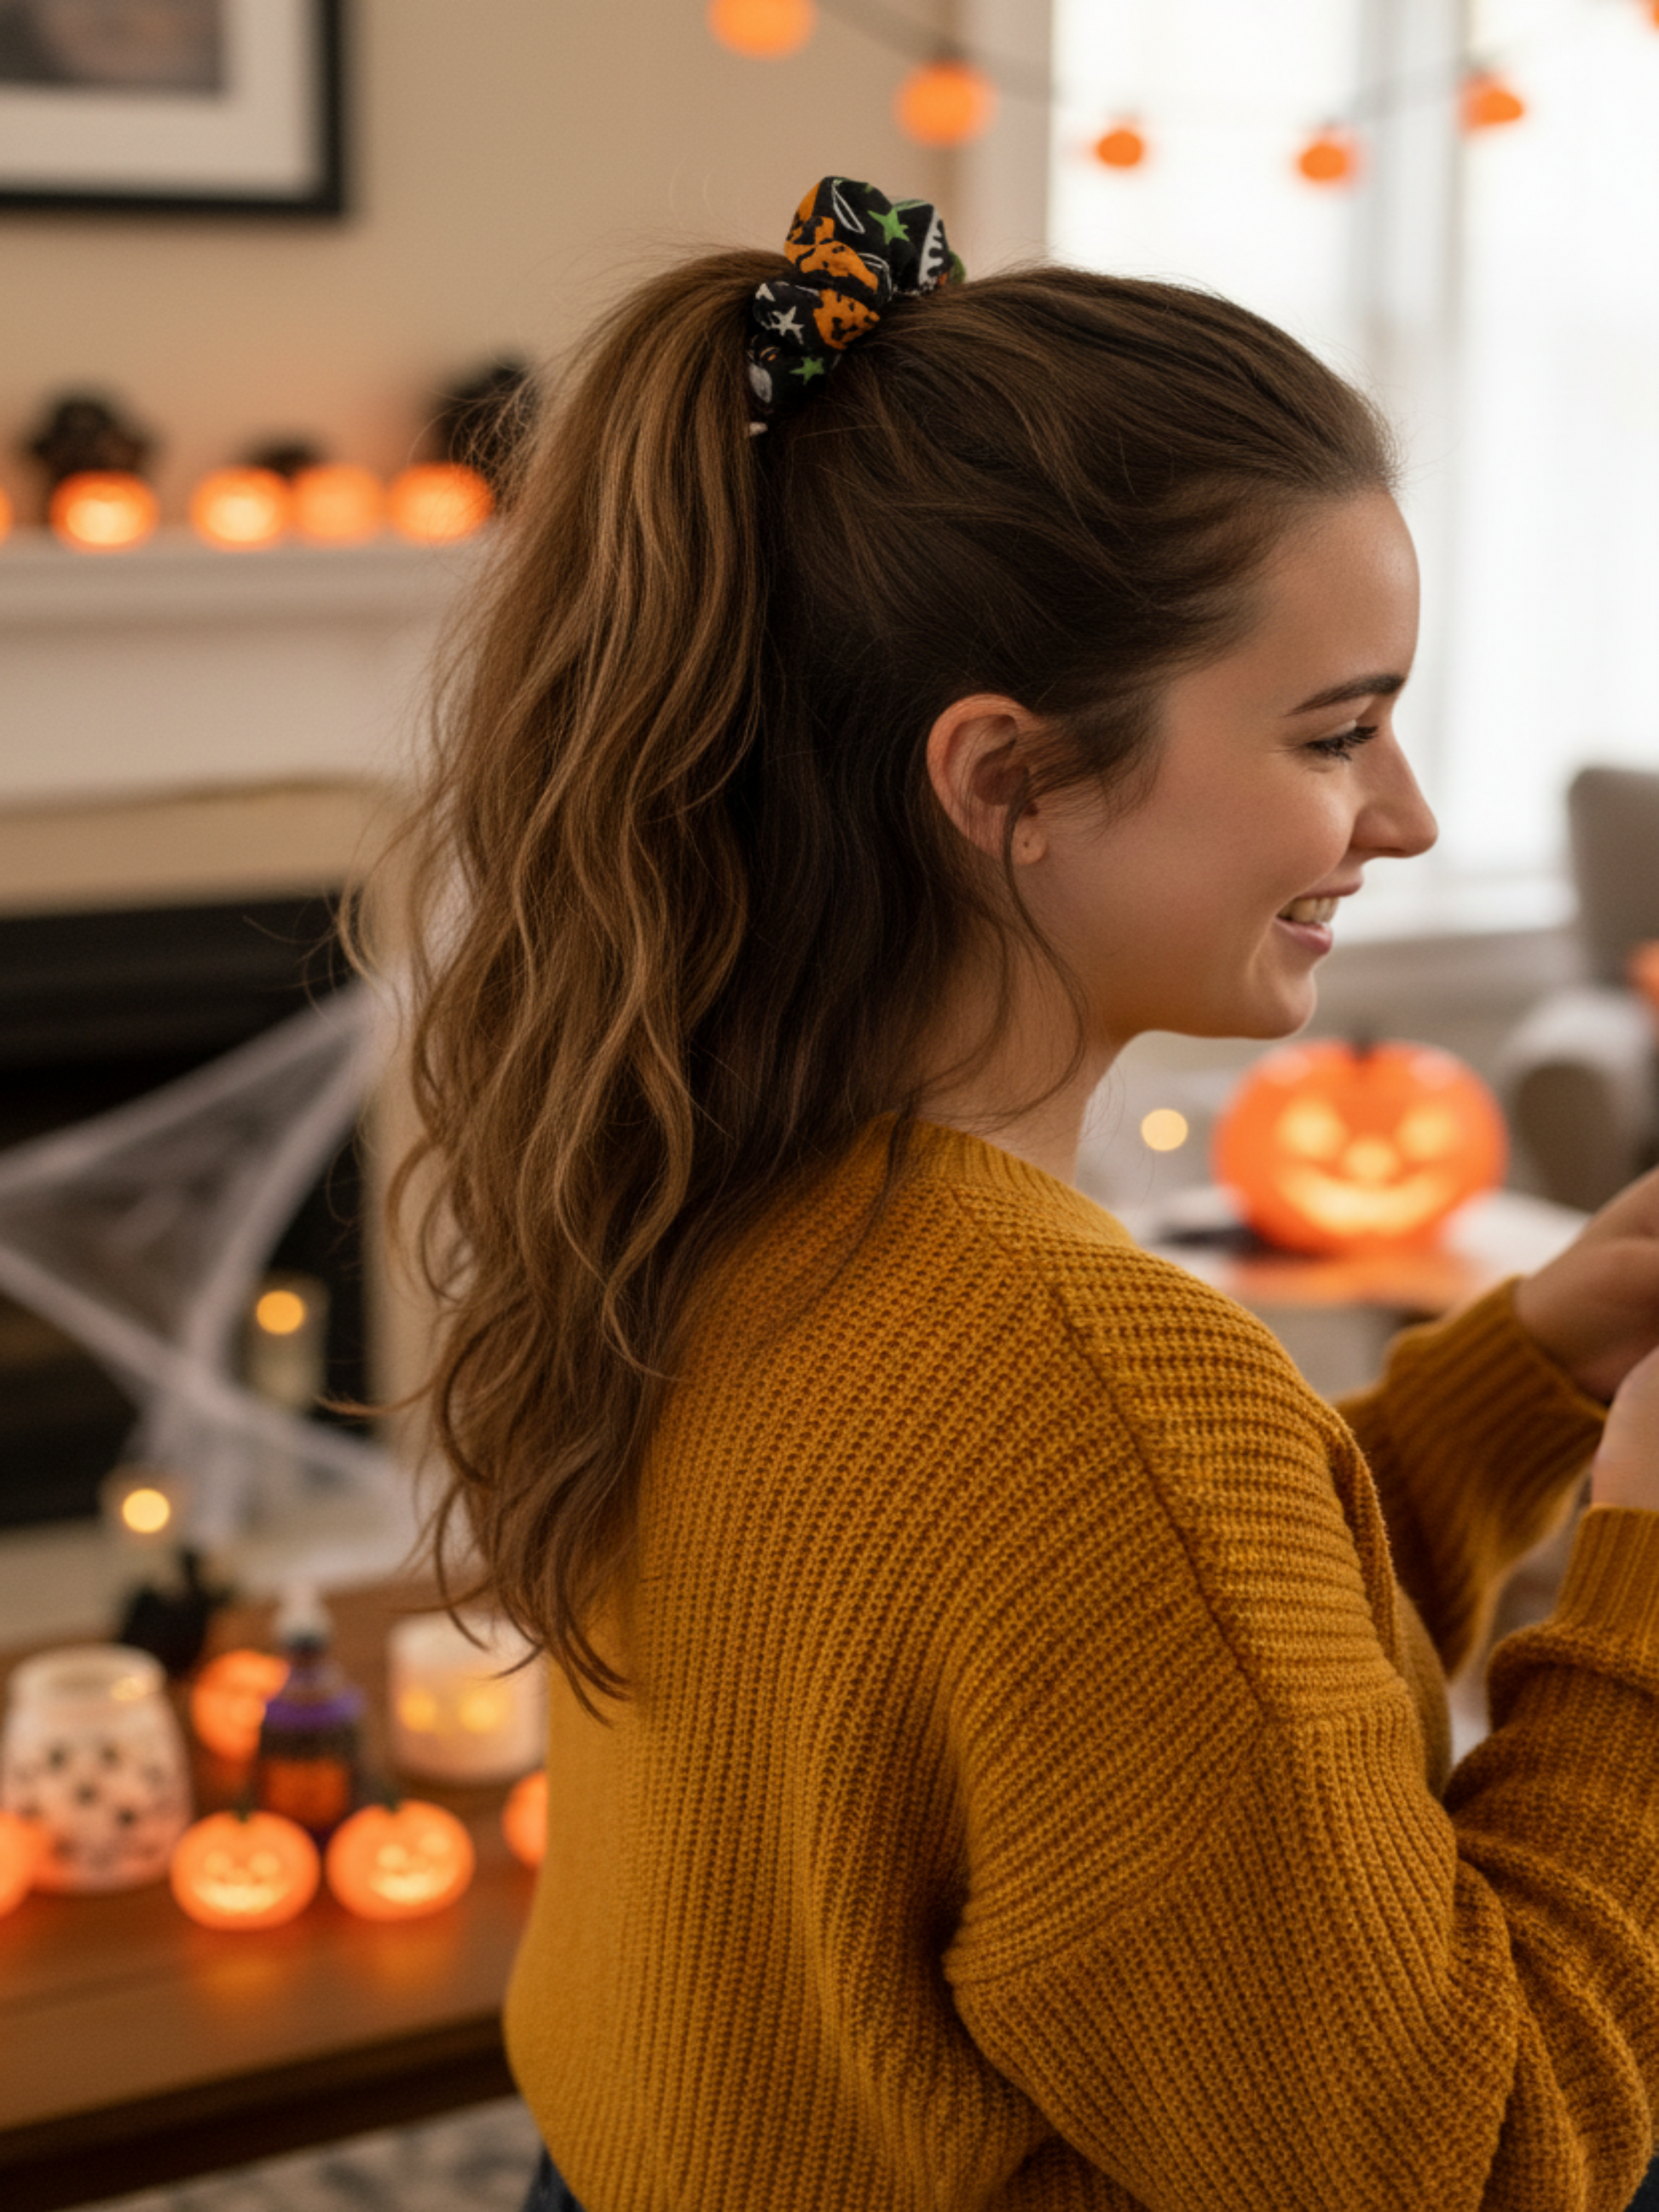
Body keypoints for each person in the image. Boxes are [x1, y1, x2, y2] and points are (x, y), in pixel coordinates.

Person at [378, 178, 1659, 2211]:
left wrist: (1524, 1376)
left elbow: (1135, 1736)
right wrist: (1638, 1596)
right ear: (1007, 785)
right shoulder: (1082, 1369)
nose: (1403, 818)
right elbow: (1475, 2158)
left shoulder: (718, 1183)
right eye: (1338, 732)